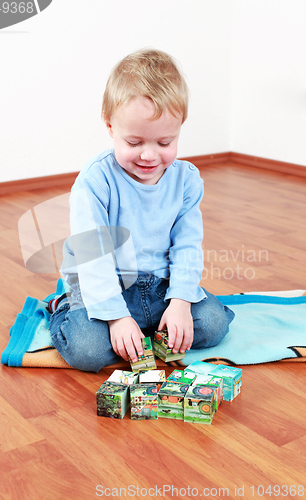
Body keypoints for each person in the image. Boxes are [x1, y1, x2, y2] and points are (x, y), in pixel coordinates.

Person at [49, 48, 235, 372]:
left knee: (214, 324)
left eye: (164, 143)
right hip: (106, 282)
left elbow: (188, 245)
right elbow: (93, 256)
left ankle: (151, 326)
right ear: (110, 127)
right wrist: (117, 318)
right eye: (134, 143)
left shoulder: (186, 180)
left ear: (179, 128)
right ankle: (62, 306)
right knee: (87, 350)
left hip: (160, 286)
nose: (149, 155)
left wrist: (179, 303)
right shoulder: (95, 181)